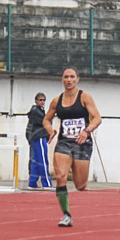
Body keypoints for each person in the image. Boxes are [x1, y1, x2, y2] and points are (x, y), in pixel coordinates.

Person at [43, 67, 102, 227]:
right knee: (61, 176)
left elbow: (97, 118)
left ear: (77, 79)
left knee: (80, 185)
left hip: (82, 143)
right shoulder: (57, 101)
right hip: (64, 142)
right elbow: (46, 119)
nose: (69, 80)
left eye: (72, 77)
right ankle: (66, 215)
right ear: (62, 79)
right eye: (66, 77)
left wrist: (86, 131)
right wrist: (50, 130)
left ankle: (79, 183)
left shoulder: (84, 97)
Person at [26, 92, 53, 189]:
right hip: (39, 137)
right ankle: (47, 183)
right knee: (42, 160)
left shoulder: (37, 111)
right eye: (40, 100)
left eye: (44, 100)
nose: (42, 102)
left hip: (33, 138)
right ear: (36, 101)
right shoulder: (36, 111)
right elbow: (46, 121)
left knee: (34, 161)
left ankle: (32, 183)